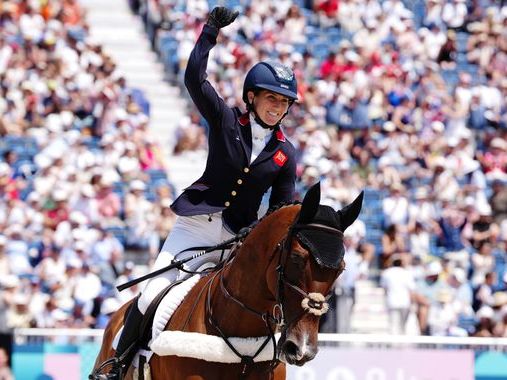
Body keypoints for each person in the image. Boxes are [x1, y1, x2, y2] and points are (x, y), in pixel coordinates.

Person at [101, 6, 299, 379]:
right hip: (193, 229)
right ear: (252, 97)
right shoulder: (226, 121)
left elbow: (282, 207)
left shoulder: (285, 154)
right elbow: (195, 78)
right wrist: (210, 32)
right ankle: (116, 368)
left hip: (237, 240)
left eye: (284, 102)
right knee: (150, 295)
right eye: (272, 98)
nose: (278, 107)